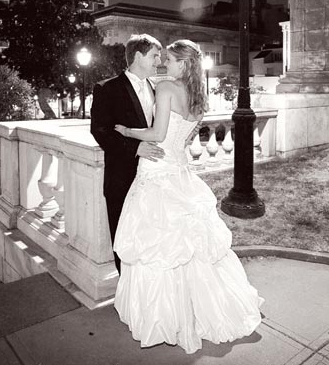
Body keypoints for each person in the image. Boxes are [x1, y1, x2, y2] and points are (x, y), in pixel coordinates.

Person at [112, 39, 263, 354]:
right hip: (179, 170)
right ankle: (200, 311)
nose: (164, 64)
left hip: (156, 171)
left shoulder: (167, 89)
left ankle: (165, 318)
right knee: (190, 248)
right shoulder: (198, 96)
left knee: (158, 245)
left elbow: (157, 134)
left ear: (182, 62)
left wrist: (126, 132)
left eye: (169, 59)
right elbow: (183, 137)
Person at [90, 34, 165, 274]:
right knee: (124, 239)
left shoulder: (159, 90)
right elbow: (100, 131)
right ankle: (127, 294)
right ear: (138, 56)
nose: (159, 61)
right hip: (122, 179)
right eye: (155, 55)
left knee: (152, 236)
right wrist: (135, 148)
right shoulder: (106, 88)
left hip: (153, 178)